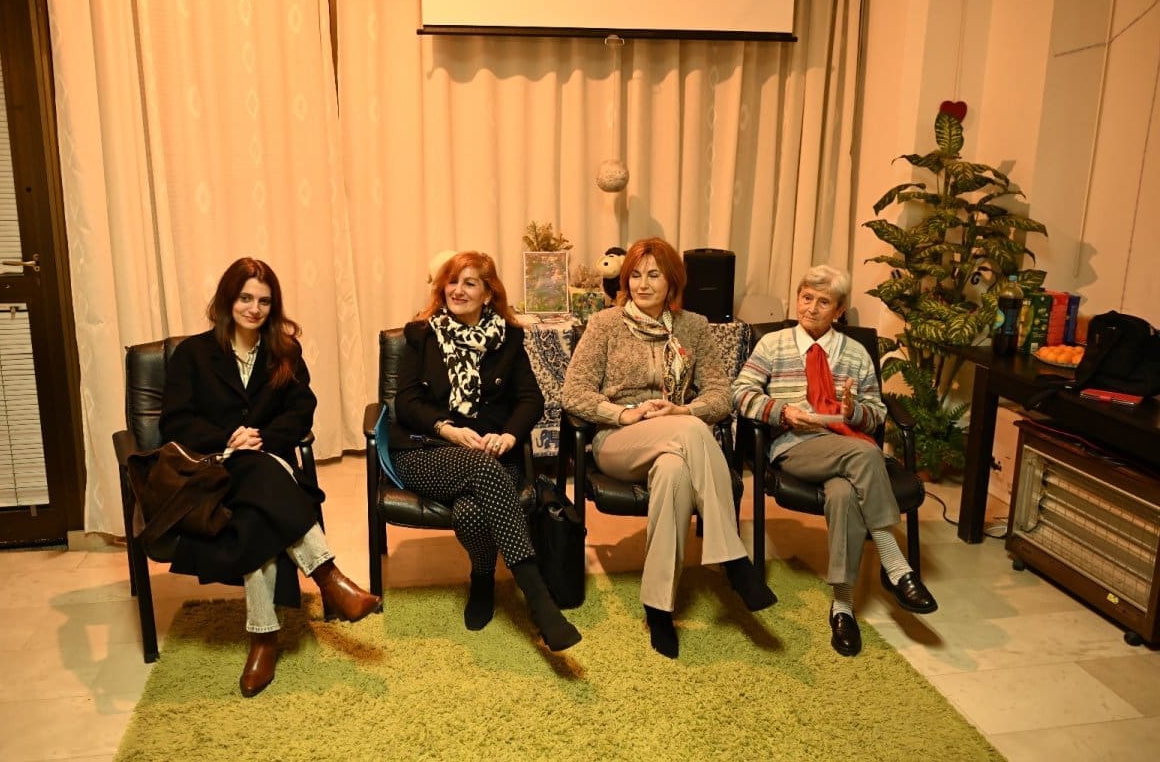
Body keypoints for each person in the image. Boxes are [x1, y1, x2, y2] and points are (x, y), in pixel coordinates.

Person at [160, 257, 380, 697]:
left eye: (263, 301)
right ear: (228, 300)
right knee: (260, 482)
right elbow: (176, 422)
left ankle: (264, 638)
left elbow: (301, 410)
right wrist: (229, 439)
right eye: (245, 298)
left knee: (255, 518)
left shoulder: (285, 351)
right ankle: (329, 577)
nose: (254, 309)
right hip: (212, 471)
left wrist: (261, 439)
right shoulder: (193, 355)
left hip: (265, 466)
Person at [561, 237, 775, 659]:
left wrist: (682, 409)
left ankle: (658, 607)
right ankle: (733, 560)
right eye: (635, 276)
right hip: (618, 440)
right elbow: (574, 393)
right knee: (691, 432)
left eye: (654, 275)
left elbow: (721, 396)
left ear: (672, 281)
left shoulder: (693, 326)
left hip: (675, 439)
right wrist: (623, 414)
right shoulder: (605, 324)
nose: (642, 284)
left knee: (675, 469)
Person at [730, 264, 938, 657]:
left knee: (843, 493)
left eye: (823, 302)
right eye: (806, 297)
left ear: (839, 310)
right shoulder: (773, 345)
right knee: (867, 453)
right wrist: (783, 412)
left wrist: (854, 411)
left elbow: (876, 414)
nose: (810, 308)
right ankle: (896, 565)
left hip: (844, 443)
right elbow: (740, 392)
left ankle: (842, 606)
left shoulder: (855, 353)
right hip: (796, 445)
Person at [389, 251, 581, 652]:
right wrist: (447, 428)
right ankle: (540, 601)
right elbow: (405, 403)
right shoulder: (421, 334)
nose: (457, 290)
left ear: (488, 294)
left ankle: (482, 578)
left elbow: (531, 399)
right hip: (427, 451)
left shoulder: (508, 339)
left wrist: (508, 436)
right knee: (480, 469)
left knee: (471, 512)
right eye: (452, 281)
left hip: (492, 453)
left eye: (469, 283)